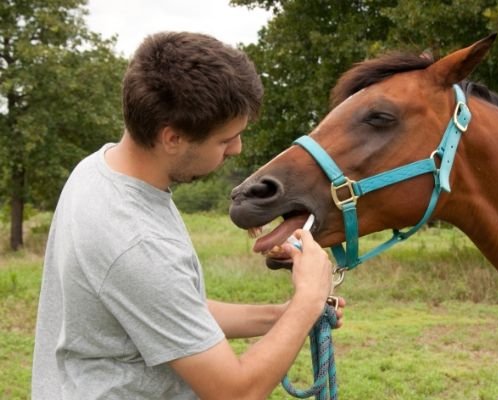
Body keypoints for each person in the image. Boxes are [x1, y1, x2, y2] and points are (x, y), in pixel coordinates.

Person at [31, 31, 344, 399]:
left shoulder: (98, 170)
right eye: (225, 140)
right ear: (172, 138)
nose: (237, 149)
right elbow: (236, 392)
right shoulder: (136, 241)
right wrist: (308, 298)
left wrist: (287, 315)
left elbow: (172, 310)